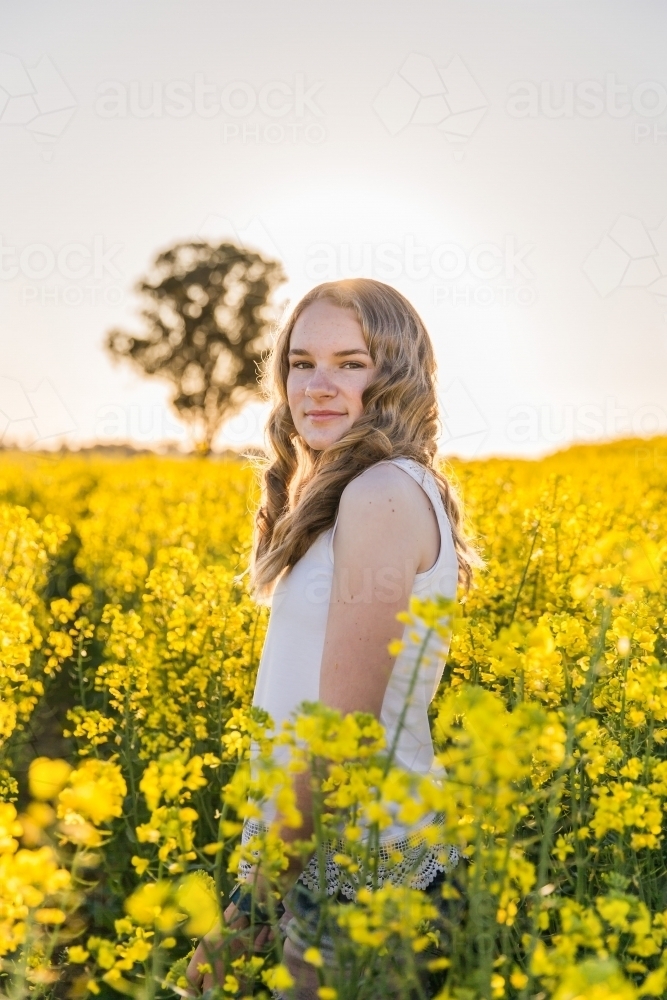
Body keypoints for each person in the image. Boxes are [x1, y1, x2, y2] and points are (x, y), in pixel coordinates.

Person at [185, 278, 479, 998]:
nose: (317, 385)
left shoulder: (378, 494)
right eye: (300, 361)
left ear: (395, 375)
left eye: (351, 363)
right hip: (332, 859)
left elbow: (341, 735)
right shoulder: (372, 487)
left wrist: (247, 909)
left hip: (361, 879)